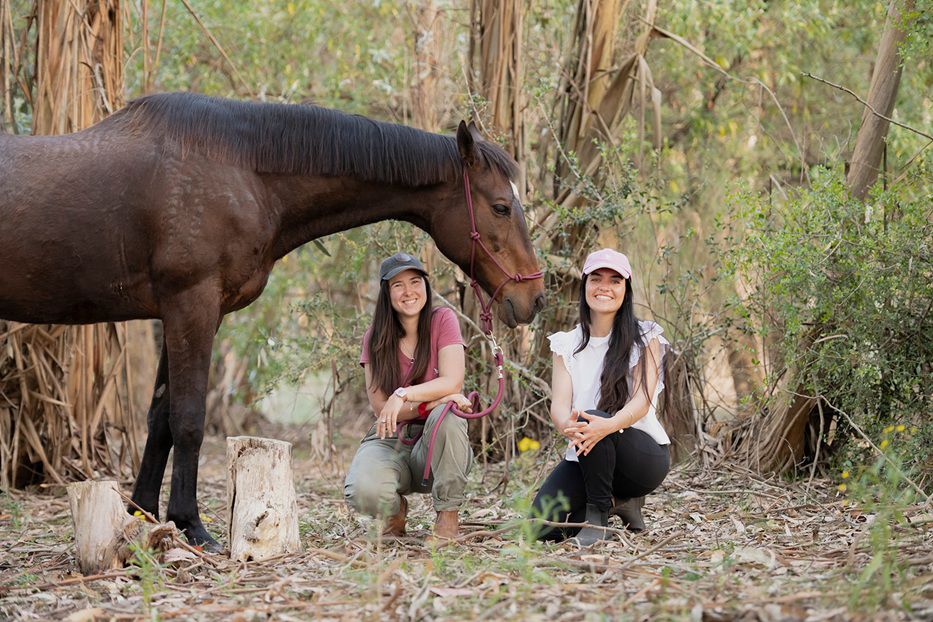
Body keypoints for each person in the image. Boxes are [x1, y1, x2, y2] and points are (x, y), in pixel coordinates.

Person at [531, 248, 671, 546]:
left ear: (626, 289)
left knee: (597, 416)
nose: (604, 287)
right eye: (596, 278)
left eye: (615, 280)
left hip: (640, 457)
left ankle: (597, 519)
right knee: (539, 527)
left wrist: (605, 426)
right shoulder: (566, 344)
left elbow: (640, 402)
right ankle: (620, 505)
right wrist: (566, 425)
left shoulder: (646, 337)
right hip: (587, 451)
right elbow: (559, 406)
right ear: (584, 286)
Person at [344, 252, 473, 541]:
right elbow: (382, 409)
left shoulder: (443, 320)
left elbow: (453, 380)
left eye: (415, 281)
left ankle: (448, 516)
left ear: (426, 286)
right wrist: (436, 399)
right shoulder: (374, 337)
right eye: (398, 285)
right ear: (386, 293)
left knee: (448, 416)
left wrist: (403, 395)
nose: (408, 291)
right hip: (391, 438)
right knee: (362, 492)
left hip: (436, 439)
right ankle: (394, 509)